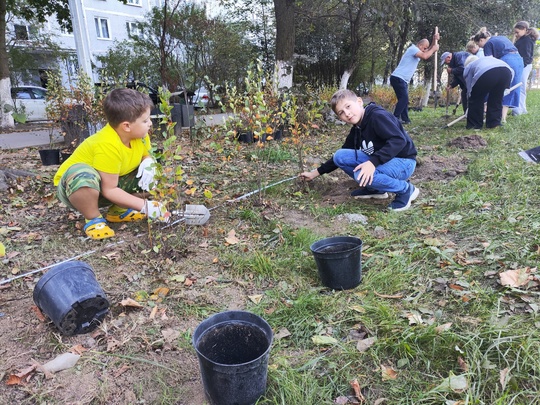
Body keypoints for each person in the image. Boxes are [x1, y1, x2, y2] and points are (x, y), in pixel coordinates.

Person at [54, 88, 170, 240]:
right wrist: (145, 206)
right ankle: (93, 218)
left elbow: (146, 154)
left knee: (153, 175)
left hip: (106, 183)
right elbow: (110, 190)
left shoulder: (140, 136)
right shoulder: (107, 144)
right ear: (126, 126)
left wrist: (148, 161)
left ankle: (118, 211)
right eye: (145, 120)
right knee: (83, 176)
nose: (150, 124)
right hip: (75, 188)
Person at [299, 89, 419, 212]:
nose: (347, 113)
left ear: (359, 101)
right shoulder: (357, 127)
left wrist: (373, 163)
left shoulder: (377, 116)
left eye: (348, 106)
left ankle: (406, 190)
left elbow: (399, 140)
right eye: (341, 112)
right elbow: (343, 154)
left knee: (360, 175)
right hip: (386, 161)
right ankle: (376, 189)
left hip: (403, 162)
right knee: (340, 156)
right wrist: (315, 173)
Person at [473, 27, 523, 123]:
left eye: (479, 45)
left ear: (482, 40)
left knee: (501, 88)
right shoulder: (501, 37)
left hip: (507, 60)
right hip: (518, 59)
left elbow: (489, 62)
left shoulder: (488, 44)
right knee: (510, 88)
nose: (481, 48)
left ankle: (492, 114)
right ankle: (503, 118)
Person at [390, 34, 439, 124]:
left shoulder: (417, 50)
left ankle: (405, 119)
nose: (425, 50)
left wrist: (434, 40)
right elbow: (425, 56)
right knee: (404, 98)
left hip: (401, 79)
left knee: (404, 99)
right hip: (398, 78)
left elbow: (427, 51)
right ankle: (394, 119)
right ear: (420, 45)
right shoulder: (413, 49)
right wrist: (434, 49)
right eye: (424, 48)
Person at [463, 55, 513, 129]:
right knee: (496, 98)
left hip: (487, 72)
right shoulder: (486, 59)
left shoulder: (469, 66)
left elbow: (469, 87)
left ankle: (474, 125)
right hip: (506, 71)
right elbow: (512, 72)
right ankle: (494, 123)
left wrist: (469, 102)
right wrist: (505, 88)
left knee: (476, 98)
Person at [512, 21, 539, 115]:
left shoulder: (526, 40)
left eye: (517, 32)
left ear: (524, 29)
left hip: (524, 66)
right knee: (520, 87)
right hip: (522, 65)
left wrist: (520, 67)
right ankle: (521, 109)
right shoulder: (523, 39)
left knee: (520, 87)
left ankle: (518, 110)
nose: (516, 34)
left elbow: (527, 57)